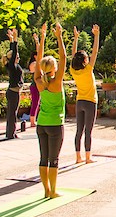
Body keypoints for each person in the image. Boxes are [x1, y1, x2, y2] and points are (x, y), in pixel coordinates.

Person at [32, 23, 67, 199]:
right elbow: (64, 57)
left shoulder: (39, 81)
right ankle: (53, 191)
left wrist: (43, 38)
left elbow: (39, 62)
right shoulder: (57, 82)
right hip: (55, 124)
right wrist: (59, 36)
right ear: (54, 69)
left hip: (42, 124)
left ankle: (46, 190)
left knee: (43, 158)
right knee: (54, 160)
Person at [70, 24, 101, 164]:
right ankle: (88, 157)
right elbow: (95, 52)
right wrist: (97, 36)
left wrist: (75, 38)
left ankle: (78, 157)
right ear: (85, 61)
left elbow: (73, 55)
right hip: (90, 102)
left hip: (79, 102)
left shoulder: (73, 71)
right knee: (88, 131)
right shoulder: (88, 69)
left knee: (79, 131)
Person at [2, 29, 24, 140]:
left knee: (12, 113)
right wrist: (15, 39)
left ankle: (11, 132)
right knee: (12, 114)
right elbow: (14, 52)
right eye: (17, 57)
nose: (18, 58)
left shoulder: (12, 65)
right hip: (13, 92)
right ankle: (11, 134)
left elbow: (12, 52)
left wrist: (11, 40)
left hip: (14, 92)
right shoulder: (12, 66)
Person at [27, 57, 40, 128]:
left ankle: (33, 120)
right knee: (35, 103)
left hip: (36, 86)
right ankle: (32, 121)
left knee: (36, 103)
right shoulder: (34, 64)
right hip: (35, 86)